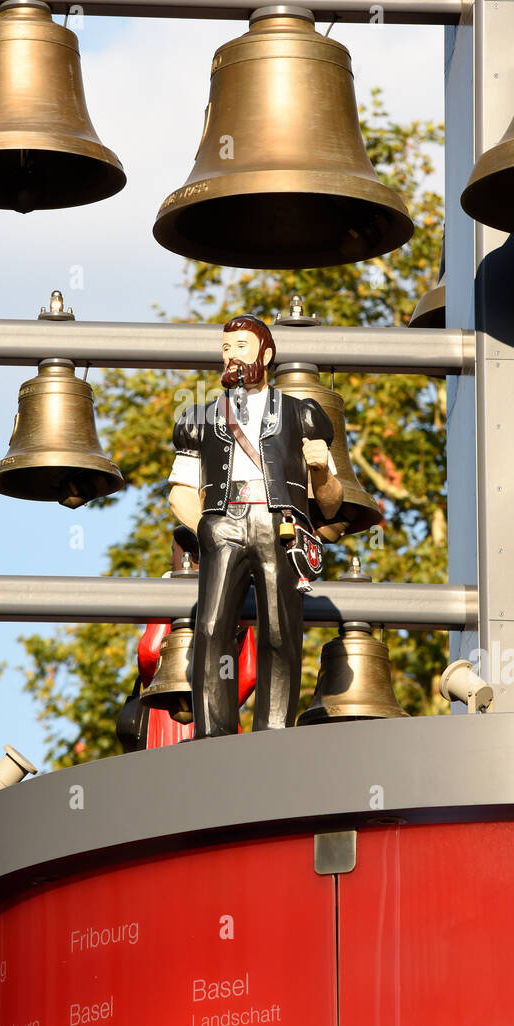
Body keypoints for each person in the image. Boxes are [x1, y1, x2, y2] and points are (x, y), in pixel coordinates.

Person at [168, 314, 342, 737]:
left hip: (279, 523)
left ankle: (274, 735)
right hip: (223, 523)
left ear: (266, 354)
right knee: (210, 630)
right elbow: (180, 492)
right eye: (226, 349)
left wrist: (320, 472)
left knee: (281, 630)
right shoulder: (200, 418)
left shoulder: (304, 415)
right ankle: (213, 735)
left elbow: (331, 503)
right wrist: (208, 529)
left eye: (241, 347)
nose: (231, 357)